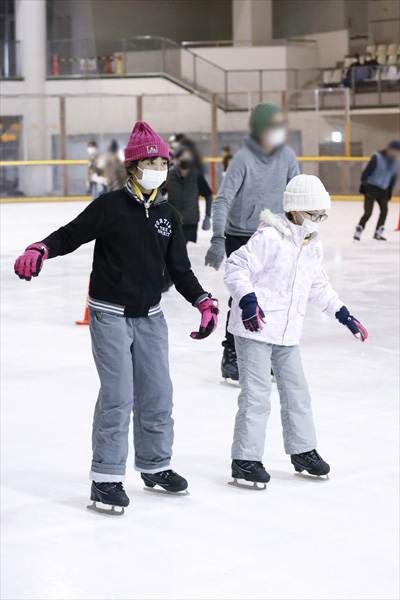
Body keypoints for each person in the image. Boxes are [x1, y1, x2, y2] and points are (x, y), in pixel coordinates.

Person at [14, 121, 219, 515]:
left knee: (158, 393)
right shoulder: (109, 207)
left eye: (164, 160)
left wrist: (203, 301)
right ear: (135, 166)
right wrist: (40, 248)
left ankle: (156, 466)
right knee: (118, 395)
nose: (160, 166)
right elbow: (70, 235)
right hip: (109, 313)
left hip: (151, 316)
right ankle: (106, 478)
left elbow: (180, 270)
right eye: (152, 161)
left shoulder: (168, 215)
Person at [223, 174, 368, 488]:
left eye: (322, 215)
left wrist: (343, 313)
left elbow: (318, 286)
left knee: (297, 393)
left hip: (287, 333)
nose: (319, 220)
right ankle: (245, 459)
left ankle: (302, 450)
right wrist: (247, 300)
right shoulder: (270, 238)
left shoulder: (310, 243)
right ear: (297, 210)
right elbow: (236, 267)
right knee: (257, 396)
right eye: (315, 214)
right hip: (255, 329)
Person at [205, 102, 300, 382]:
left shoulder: (288, 157)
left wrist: (302, 230)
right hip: (242, 235)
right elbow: (222, 199)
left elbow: (297, 196)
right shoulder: (244, 159)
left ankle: (262, 354)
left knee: (270, 296)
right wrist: (217, 238)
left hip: (275, 235)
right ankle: (231, 354)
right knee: (242, 294)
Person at [354, 140, 400, 241]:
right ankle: (359, 231)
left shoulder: (396, 162)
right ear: (390, 149)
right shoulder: (377, 157)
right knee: (368, 212)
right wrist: (364, 184)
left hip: (383, 190)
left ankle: (378, 232)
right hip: (372, 188)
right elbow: (367, 172)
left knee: (384, 211)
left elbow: (393, 177)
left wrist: (389, 190)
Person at [167, 144, 213, 242]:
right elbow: (158, 193)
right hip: (173, 220)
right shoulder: (169, 175)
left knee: (184, 250)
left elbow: (208, 195)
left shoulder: (197, 176)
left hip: (191, 221)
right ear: (177, 159)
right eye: (183, 158)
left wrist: (208, 216)